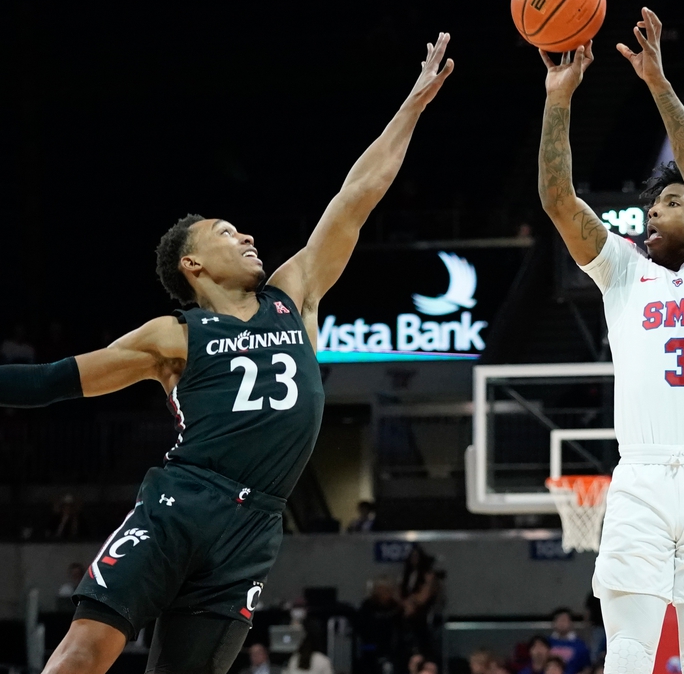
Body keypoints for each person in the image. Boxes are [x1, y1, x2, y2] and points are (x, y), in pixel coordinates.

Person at [0, 34, 455, 674]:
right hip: (183, 503)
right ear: (192, 264)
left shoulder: (292, 294)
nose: (244, 234)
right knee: (85, 650)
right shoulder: (173, 335)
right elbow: (52, 381)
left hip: (256, 526)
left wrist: (413, 105)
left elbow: (355, 198)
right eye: (224, 232)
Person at [535, 7, 684, 674]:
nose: (650, 212)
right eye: (650, 205)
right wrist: (557, 102)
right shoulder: (623, 268)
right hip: (638, 476)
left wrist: (660, 85)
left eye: (668, 202)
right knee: (628, 653)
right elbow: (557, 199)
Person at [548, 608, 592, 674]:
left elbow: (587, 667)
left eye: (564, 620)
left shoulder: (580, 644)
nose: (561, 623)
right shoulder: (547, 643)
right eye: (558, 620)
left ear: (571, 622)